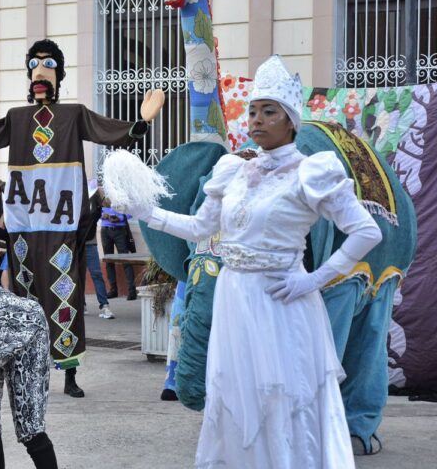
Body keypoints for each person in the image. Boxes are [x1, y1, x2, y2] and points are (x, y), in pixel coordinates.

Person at [114, 55, 382, 467]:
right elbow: (201, 228)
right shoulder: (232, 171)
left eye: (269, 111)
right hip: (234, 298)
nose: (257, 119)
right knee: (236, 392)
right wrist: (146, 212)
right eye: (253, 111)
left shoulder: (311, 172)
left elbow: (367, 231)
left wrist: (314, 280)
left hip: (281, 301)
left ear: (291, 121)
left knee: (281, 394)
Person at [0, 39, 165, 397]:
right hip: (24, 228)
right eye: (34, 65)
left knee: (65, 297)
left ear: (59, 74)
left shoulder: (73, 114)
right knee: (26, 300)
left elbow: (104, 128)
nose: (39, 72)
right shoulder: (17, 119)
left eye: (48, 64)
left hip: (61, 225)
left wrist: (138, 125)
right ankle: (27, 371)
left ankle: (69, 374)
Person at [83, 183, 113, 319]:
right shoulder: (73, 194)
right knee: (77, 276)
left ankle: (104, 305)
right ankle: (81, 304)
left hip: (90, 242)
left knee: (96, 274)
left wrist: (101, 192)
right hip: (75, 243)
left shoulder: (94, 196)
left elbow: (107, 206)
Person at [100, 198, 137, 301]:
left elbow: (132, 211)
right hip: (105, 231)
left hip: (120, 231)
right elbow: (95, 210)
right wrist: (102, 215)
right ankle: (113, 290)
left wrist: (120, 217)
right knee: (109, 261)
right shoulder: (101, 193)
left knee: (126, 260)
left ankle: (132, 291)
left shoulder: (123, 194)